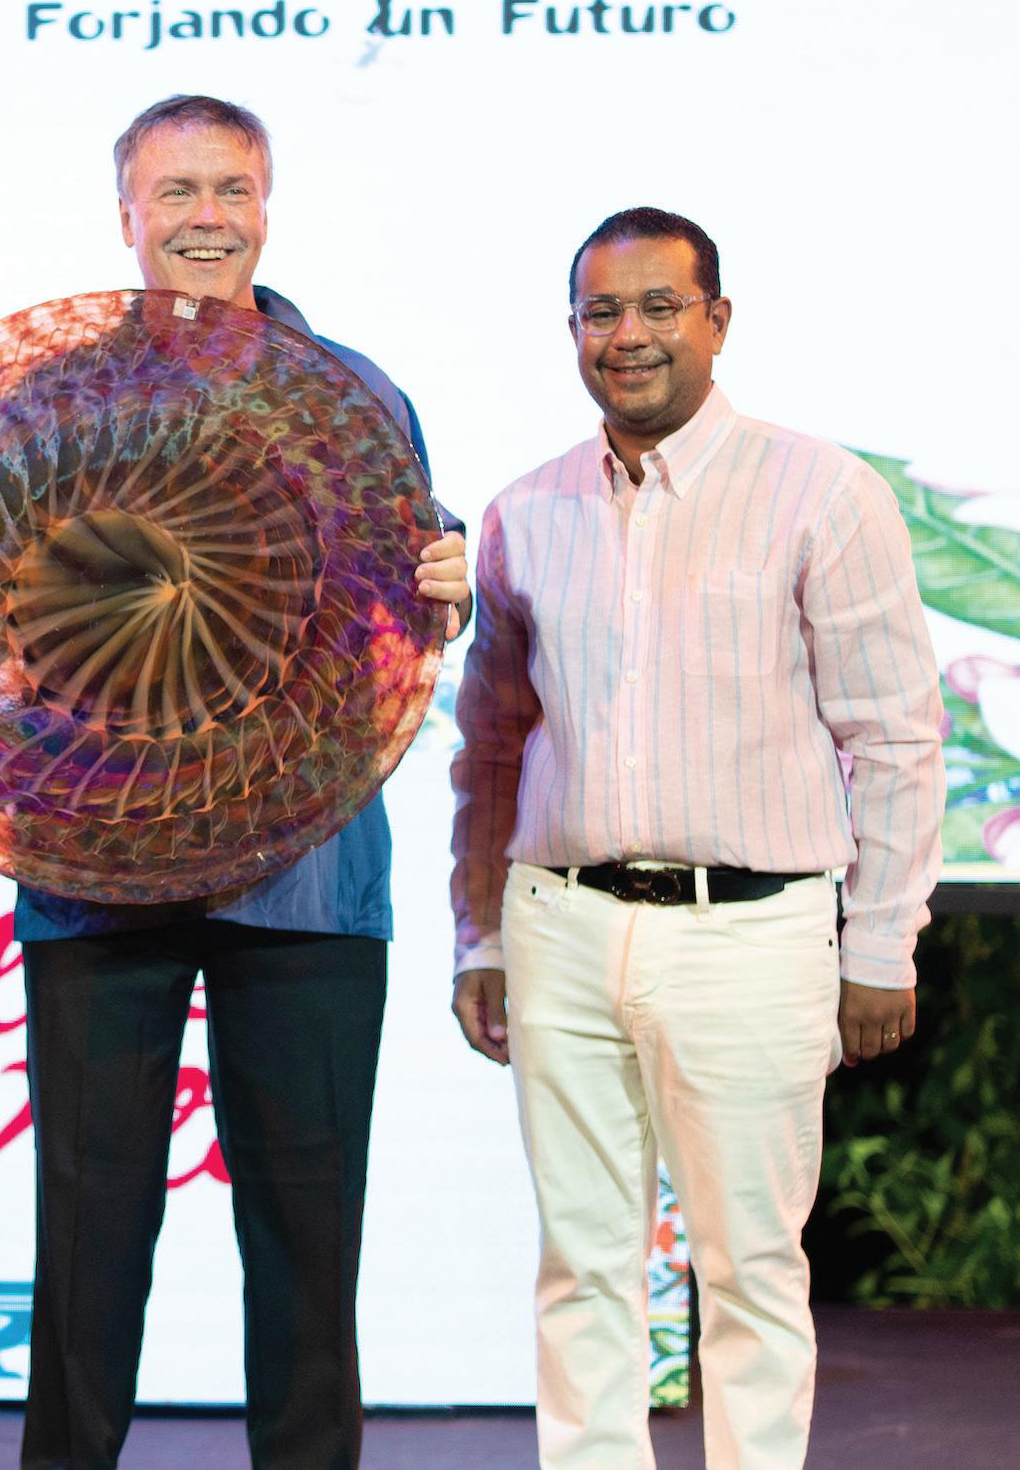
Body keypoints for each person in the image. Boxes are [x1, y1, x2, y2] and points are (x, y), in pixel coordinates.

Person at [0, 94, 471, 1470]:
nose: (204, 218)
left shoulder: (356, 394)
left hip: (309, 877)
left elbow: (402, 590)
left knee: (308, 1236)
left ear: (267, 207)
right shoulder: (48, 397)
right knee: (87, 1235)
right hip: (92, 868)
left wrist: (445, 578)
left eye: (230, 189)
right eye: (176, 192)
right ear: (126, 216)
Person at [448, 206, 945, 1469]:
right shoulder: (523, 513)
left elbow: (894, 736)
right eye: (602, 312)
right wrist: (478, 934)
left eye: (661, 307)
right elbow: (492, 747)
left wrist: (881, 943)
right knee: (582, 1269)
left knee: (751, 1271)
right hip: (561, 923)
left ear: (717, 322)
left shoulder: (821, 493)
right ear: (572, 331)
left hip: (752, 931)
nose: (630, 335)